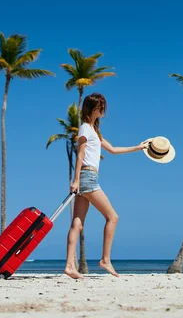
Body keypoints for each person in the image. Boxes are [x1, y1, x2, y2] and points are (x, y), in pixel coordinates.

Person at [64, 92, 149, 279]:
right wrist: (76, 180)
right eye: (100, 107)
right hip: (87, 178)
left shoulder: (94, 130)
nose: (103, 110)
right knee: (113, 217)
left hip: (87, 177)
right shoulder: (85, 128)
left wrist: (139, 147)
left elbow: (113, 150)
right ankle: (105, 259)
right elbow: (80, 154)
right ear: (92, 108)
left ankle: (70, 265)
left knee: (77, 224)